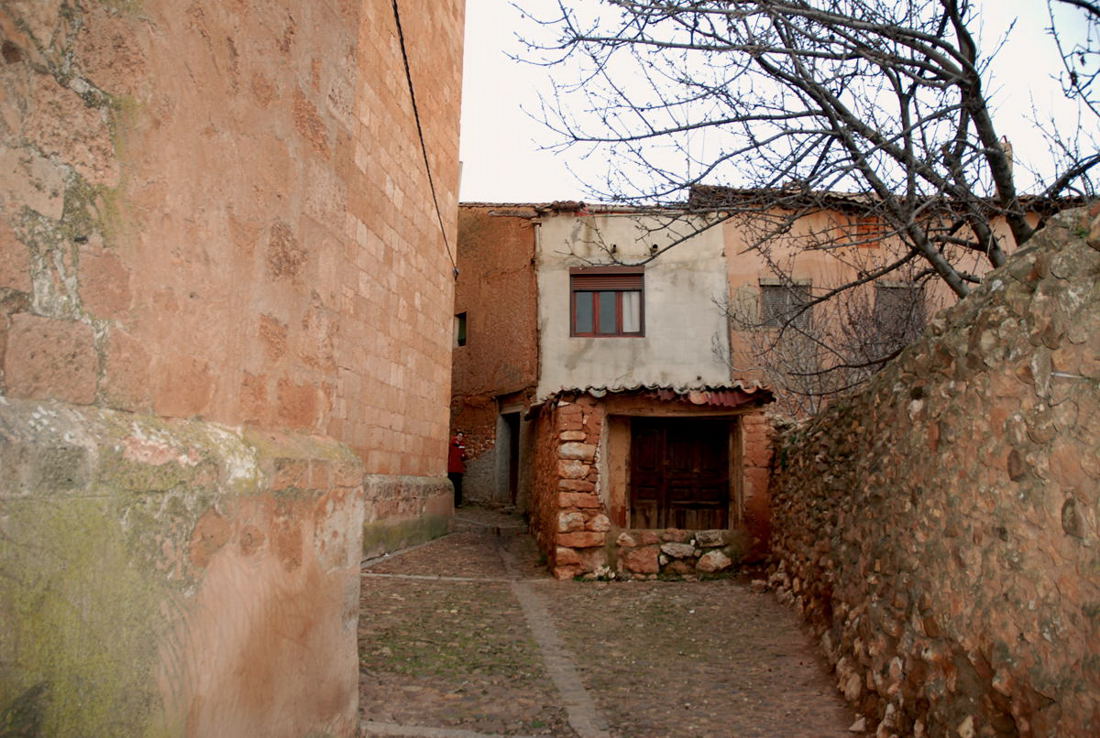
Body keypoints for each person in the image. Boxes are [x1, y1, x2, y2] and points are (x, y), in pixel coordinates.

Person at [447, 431, 467, 508]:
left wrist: (464, 455)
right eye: (459, 436)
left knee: (458, 487)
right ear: (456, 436)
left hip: (459, 469)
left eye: (461, 436)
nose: (460, 437)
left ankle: (457, 503)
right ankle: (449, 503)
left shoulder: (462, 445)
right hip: (452, 469)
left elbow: (464, 455)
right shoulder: (452, 444)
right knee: (452, 486)